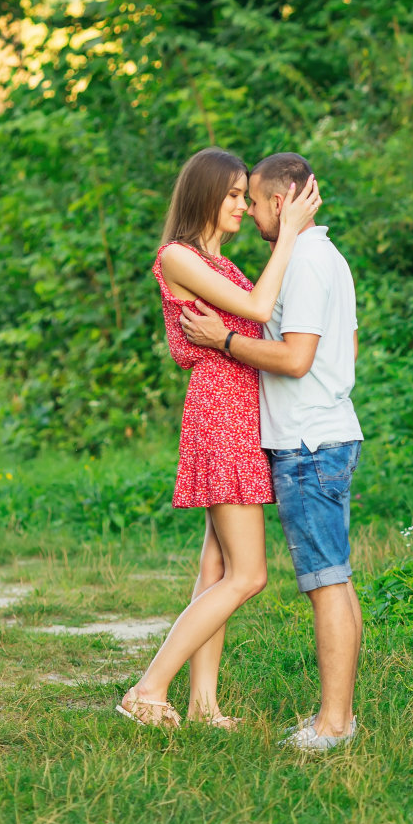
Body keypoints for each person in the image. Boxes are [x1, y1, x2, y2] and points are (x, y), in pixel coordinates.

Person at [118, 148, 321, 729]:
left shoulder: (221, 263)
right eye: (233, 194)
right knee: (249, 574)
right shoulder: (178, 257)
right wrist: (290, 232)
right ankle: (147, 689)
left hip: (240, 412)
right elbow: (260, 307)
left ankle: (203, 705)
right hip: (221, 413)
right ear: (206, 196)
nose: (241, 204)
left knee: (216, 568)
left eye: (245, 195)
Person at [179, 151, 364, 753]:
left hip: (308, 441)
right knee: (335, 578)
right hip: (325, 429)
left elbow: (295, 358)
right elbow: (348, 351)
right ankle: (339, 718)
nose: (249, 210)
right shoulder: (327, 259)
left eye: (254, 200)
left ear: (279, 203)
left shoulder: (306, 263)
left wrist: (226, 341)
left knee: (326, 582)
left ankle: (332, 726)